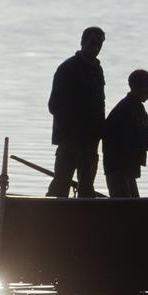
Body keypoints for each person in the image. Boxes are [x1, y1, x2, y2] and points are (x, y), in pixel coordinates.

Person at [46, 26, 106, 198]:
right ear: (82, 42)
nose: (96, 47)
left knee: (87, 187)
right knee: (61, 184)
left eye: (99, 44)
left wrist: (99, 130)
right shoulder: (67, 68)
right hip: (70, 139)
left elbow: (100, 103)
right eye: (92, 43)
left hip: (92, 140)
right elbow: (54, 105)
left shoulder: (97, 69)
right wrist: (72, 131)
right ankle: (47, 217)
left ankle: (83, 220)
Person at [102, 69, 148, 198]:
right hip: (117, 167)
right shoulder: (124, 109)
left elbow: (144, 131)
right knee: (126, 207)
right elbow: (126, 139)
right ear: (138, 88)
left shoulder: (137, 107)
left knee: (133, 204)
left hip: (128, 167)